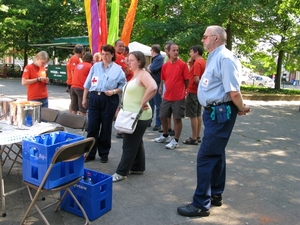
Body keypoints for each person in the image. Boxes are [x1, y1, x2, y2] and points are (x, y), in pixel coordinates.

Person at [177, 25, 251, 217]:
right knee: (216, 154)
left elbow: (233, 91)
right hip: (214, 112)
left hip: (220, 112)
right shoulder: (214, 56)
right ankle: (215, 194)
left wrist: (241, 108)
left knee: (206, 157)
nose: (202, 40)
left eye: (205, 36)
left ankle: (201, 204)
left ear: (216, 38)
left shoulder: (225, 58)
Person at [112, 51, 157, 182]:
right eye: (128, 60)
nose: (128, 62)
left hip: (138, 116)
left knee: (129, 145)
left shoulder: (143, 74)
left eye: (131, 60)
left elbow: (153, 87)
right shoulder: (135, 75)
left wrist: (144, 101)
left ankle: (121, 172)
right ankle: (138, 167)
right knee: (136, 142)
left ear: (139, 61)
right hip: (131, 115)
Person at [83, 44, 126, 163]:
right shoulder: (95, 66)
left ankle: (104, 153)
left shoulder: (118, 69)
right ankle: (90, 153)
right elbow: (87, 84)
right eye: (103, 54)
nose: (104, 56)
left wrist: (113, 91)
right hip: (94, 98)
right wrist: (84, 98)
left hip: (109, 99)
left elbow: (123, 86)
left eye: (107, 54)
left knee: (106, 127)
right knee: (92, 127)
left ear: (112, 55)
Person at [154, 43, 189, 149]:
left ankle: (176, 140)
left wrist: (184, 91)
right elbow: (163, 79)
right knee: (163, 115)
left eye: (177, 50)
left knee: (177, 118)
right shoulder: (165, 66)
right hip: (167, 96)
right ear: (168, 52)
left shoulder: (182, 65)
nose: (176, 52)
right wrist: (161, 87)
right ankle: (165, 135)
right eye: (173, 50)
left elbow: (187, 80)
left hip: (178, 96)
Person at [182, 45, 206, 145]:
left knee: (193, 115)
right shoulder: (203, 62)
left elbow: (196, 79)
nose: (190, 54)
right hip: (199, 93)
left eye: (191, 52)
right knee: (198, 114)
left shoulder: (197, 63)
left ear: (196, 52)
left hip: (193, 91)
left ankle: (194, 137)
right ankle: (198, 135)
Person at [114, 39, 131, 138]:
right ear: (115, 47)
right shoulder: (119, 57)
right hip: (121, 86)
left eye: (123, 46)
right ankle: (120, 130)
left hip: (116, 87)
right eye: (119, 46)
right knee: (120, 107)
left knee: (118, 107)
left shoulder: (115, 56)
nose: (121, 47)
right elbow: (126, 71)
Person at [158, 40, 175, 136]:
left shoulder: (174, 60)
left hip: (171, 88)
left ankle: (169, 127)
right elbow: (163, 75)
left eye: (166, 49)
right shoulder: (165, 59)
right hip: (165, 85)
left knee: (170, 108)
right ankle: (167, 127)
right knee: (165, 108)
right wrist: (161, 85)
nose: (165, 51)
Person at [147, 44, 164, 131]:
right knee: (151, 104)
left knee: (157, 105)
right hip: (152, 83)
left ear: (153, 50)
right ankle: (149, 121)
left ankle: (158, 123)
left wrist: (149, 67)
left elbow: (151, 69)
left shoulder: (159, 58)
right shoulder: (156, 59)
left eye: (151, 50)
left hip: (156, 83)